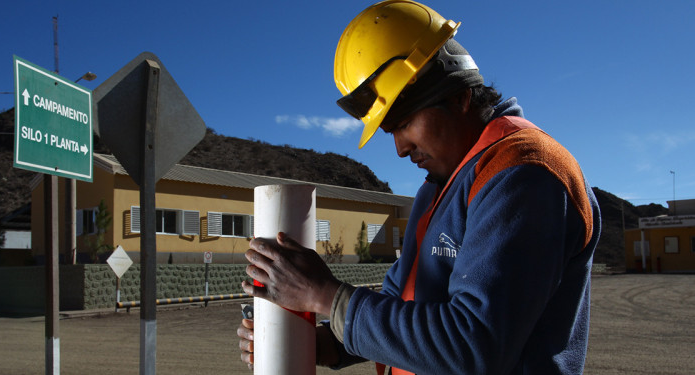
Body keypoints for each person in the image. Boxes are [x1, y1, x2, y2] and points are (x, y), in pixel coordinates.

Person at [238, 1, 601, 374]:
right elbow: (402, 301)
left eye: (404, 122)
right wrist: (324, 345)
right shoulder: (441, 186)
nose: (400, 148)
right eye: (390, 131)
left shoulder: (524, 174)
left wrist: (325, 295)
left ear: (459, 96)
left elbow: (472, 347)